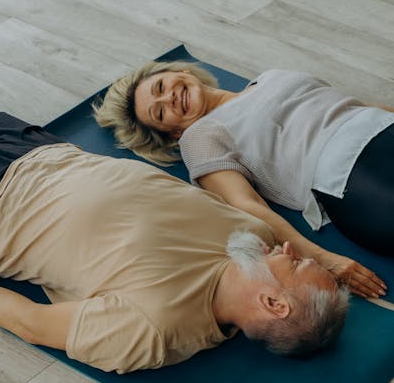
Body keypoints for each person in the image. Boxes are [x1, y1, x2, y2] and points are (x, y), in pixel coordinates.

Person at [0, 99, 349, 374]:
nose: (287, 248)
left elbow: (31, 322)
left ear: (272, 303)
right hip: (38, 149)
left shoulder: (155, 328)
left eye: (293, 263)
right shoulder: (253, 234)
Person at [93, 59, 394, 295]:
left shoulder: (270, 76)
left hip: (380, 125)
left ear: (183, 72)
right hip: (347, 175)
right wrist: (324, 259)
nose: (169, 98)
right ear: (174, 132)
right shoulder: (199, 136)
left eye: (161, 87)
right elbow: (246, 206)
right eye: (159, 113)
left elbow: (352, 106)